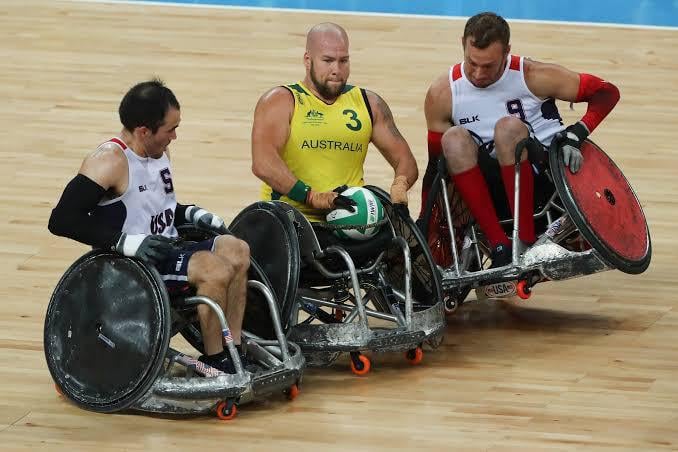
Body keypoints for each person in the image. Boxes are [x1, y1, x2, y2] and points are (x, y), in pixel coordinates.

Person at [48, 79, 251, 374]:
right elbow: (63, 219)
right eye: (171, 129)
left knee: (237, 249)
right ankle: (215, 359)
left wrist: (191, 214)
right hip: (131, 266)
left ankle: (234, 347)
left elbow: (156, 208)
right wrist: (125, 242)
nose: (175, 137)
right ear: (144, 131)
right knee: (213, 268)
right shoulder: (108, 161)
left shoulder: (159, 153)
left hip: (166, 249)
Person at [419, 12, 620, 267]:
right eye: (472, 63)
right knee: (453, 139)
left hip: (546, 183)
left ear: (507, 52)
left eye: (489, 65)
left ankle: (524, 239)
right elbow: (434, 167)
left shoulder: (534, 75)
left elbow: (607, 93)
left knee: (507, 129)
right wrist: (425, 223)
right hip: (490, 192)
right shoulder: (442, 94)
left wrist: (577, 132)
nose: (479, 74)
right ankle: (500, 245)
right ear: (462, 44)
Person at [251, 22, 417, 234]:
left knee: (410, 251)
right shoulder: (281, 101)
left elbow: (405, 160)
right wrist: (311, 196)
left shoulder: (369, 103)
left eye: (343, 61)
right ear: (307, 60)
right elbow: (263, 163)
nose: (336, 70)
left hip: (351, 219)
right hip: (291, 220)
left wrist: (400, 184)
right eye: (327, 61)